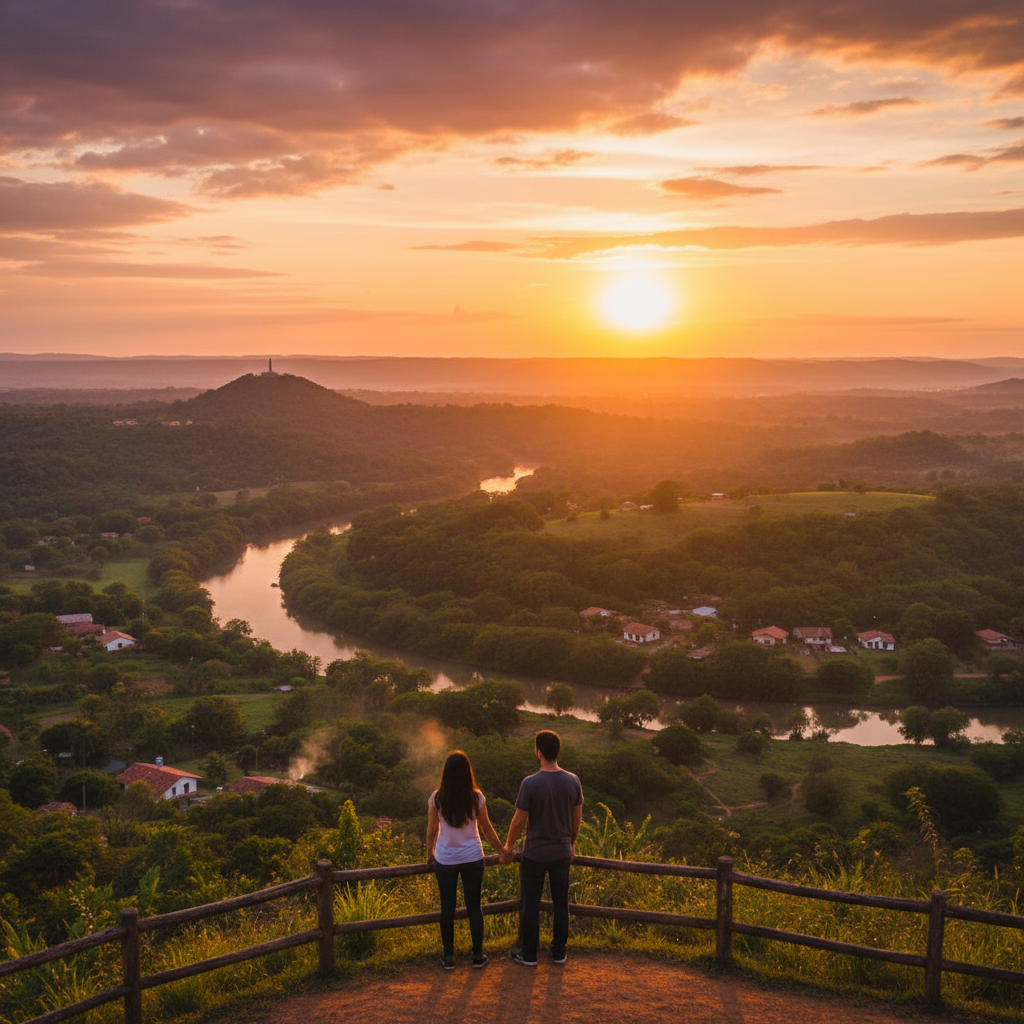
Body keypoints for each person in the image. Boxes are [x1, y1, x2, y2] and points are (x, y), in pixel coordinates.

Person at [504, 729, 583, 966]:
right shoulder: (573, 781)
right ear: (557, 751)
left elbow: (519, 821)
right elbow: (576, 818)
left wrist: (508, 845)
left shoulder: (530, 783)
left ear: (538, 752)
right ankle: (559, 952)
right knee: (561, 903)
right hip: (561, 852)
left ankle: (529, 954)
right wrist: (572, 843)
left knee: (531, 905)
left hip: (535, 854)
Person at [426, 750, 509, 970]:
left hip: (445, 859)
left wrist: (429, 854)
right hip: (473, 858)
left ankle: (449, 957)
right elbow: (487, 828)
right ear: (467, 772)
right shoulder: (476, 797)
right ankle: (478, 955)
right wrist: (501, 850)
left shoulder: (437, 798)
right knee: (474, 907)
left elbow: (432, 831)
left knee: (447, 907)